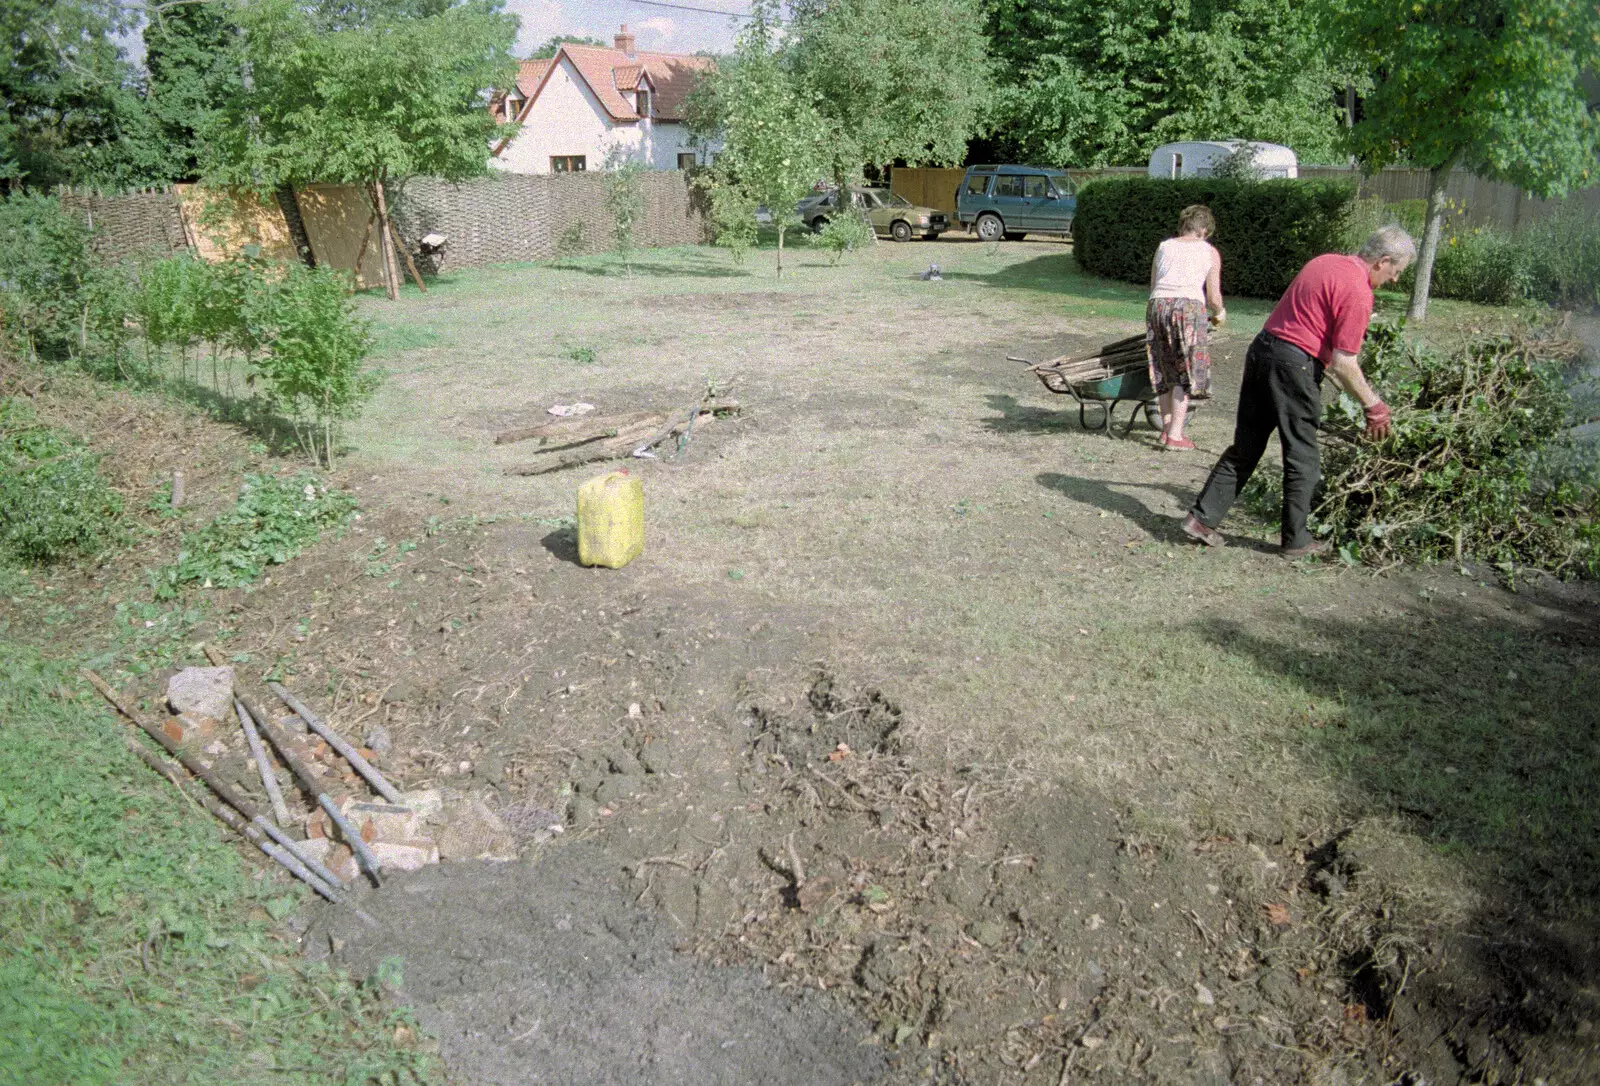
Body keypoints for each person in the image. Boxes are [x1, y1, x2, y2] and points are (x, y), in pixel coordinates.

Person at [1181, 225, 1416, 557]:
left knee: (1246, 447)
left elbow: (1324, 349)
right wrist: (1374, 406)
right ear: (1383, 260)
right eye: (1396, 271)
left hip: (1262, 351)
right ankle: (1296, 540)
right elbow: (1345, 361)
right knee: (1302, 456)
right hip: (1294, 365)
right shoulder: (1360, 291)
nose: (1394, 279)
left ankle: (1200, 519)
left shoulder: (1325, 262)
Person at [1145, 204, 1226, 450]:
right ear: (1202, 229)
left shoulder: (1164, 247)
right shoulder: (1208, 252)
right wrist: (1219, 312)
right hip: (1187, 308)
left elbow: (1154, 284)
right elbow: (1213, 296)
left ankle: (1167, 427)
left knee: (1164, 367)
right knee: (1185, 370)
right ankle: (1176, 435)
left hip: (1157, 306)